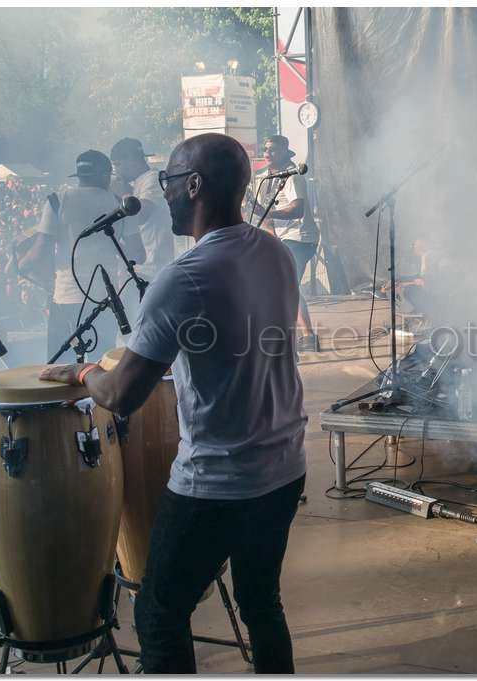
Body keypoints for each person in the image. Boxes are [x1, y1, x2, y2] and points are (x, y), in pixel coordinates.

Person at [40, 133, 306, 673]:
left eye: (168, 183)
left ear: (194, 185)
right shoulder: (275, 253)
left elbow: (120, 396)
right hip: (284, 468)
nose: (163, 195)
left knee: (159, 612)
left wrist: (82, 371)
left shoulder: (184, 277)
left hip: (218, 481)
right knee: (261, 603)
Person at [33, 150, 129, 361]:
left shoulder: (57, 201)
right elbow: (137, 253)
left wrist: (19, 263)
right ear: (106, 176)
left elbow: (40, 253)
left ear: (79, 176)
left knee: (61, 368)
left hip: (66, 295)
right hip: (106, 296)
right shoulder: (119, 204)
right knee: (102, 364)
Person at [248, 134, 320, 352]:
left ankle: (304, 336)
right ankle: (300, 335)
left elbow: (297, 209)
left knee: (287, 284)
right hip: (280, 238)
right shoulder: (263, 179)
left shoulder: (293, 176)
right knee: (282, 285)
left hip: (300, 238)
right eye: (266, 149)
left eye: (273, 150)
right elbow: (265, 217)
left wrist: (269, 213)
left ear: (285, 152)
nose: (268, 153)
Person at [110, 137, 174, 280]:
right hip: (141, 267)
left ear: (132, 160)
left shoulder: (152, 179)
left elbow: (141, 214)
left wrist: (123, 193)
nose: (117, 171)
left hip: (152, 268)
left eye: (118, 165)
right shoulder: (139, 182)